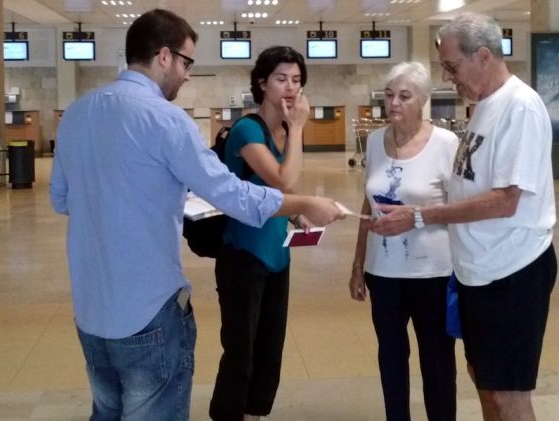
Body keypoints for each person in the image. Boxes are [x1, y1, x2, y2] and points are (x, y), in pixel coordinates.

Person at [49, 10, 343, 420]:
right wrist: (304, 204)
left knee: (108, 410)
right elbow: (231, 194)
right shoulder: (166, 119)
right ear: (164, 56)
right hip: (147, 307)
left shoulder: (78, 113)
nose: (187, 75)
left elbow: (61, 199)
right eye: (187, 62)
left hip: (91, 306)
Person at [369, 13, 557, 421]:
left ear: (484, 56)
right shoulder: (484, 106)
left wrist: (421, 215)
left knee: (508, 393)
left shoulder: (519, 107)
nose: (448, 77)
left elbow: (506, 200)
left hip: (512, 271)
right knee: (485, 381)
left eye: (452, 67)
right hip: (478, 273)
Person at [349, 61, 459, 421]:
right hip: (384, 274)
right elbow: (369, 204)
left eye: (404, 96)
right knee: (391, 357)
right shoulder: (376, 142)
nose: (394, 102)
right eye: (389, 94)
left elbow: (460, 209)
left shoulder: (446, 144)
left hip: (432, 272)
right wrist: (358, 265)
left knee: (437, 361)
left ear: (423, 100)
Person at [209, 46, 311, 421]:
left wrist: (296, 214)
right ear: (262, 83)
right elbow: (283, 178)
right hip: (243, 255)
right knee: (240, 349)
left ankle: (253, 412)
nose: (290, 88)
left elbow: (281, 193)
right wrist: (298, 128)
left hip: (276, 253)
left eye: (297, 81)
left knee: (270, 347)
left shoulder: (285, 131)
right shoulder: (247, 130)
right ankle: (227, 413)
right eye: (282, 79)